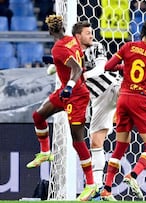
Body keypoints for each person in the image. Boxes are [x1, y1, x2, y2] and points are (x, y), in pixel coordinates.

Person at [25, 15, 96, 201]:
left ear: (49, 31)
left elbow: (77, 69)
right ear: (63, 27)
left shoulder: (58, 48)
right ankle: (45, 152)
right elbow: (76, 59)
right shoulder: (71, 40)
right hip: (64, 92)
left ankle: (90, 184)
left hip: (77, 95)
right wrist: (54, 62)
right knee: (38, 116)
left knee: (77, 140)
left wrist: (70, 86)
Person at [99, 19, 146, 200]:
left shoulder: (128, 47)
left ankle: (106, 189)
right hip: (142, 101)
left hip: (124, 98)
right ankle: (133, 175)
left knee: (120, 146)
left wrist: (125, 67)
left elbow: (108, 66)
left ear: (141, 32)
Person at [71, 21, 121, 193]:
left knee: (134, 98)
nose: (92, 36)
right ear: (78, 36)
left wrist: (80, 76)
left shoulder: (97, 46)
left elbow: (101, 68)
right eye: (88, 33)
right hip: (98, 99)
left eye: (92, 32)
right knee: (95, 142)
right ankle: (98, 187)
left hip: (113, 86)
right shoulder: (71, 53)